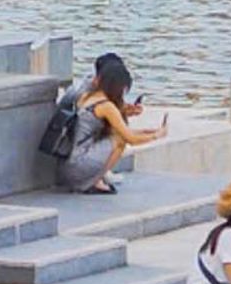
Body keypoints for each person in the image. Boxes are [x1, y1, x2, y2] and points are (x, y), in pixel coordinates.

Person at [54, 59, 166, 194]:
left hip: (65, 165)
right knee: (119, 140)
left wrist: (147, 131)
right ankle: (95, 181)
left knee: (116, 134)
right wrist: (157, 135)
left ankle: (93, 179)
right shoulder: (106, 106)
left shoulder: (86, 96)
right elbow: (130, 138)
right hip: (79, 166)